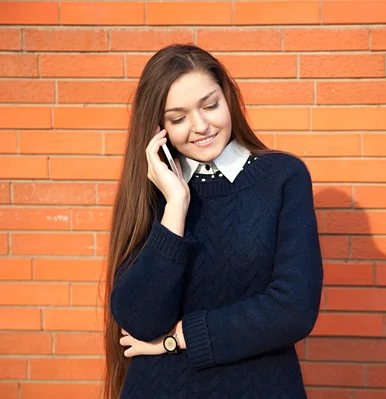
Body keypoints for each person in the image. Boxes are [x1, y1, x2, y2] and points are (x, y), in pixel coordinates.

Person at [102, 44, 323, 399]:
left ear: (228, 98)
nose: (201, 126)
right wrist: (176, 205)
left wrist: (178, 339)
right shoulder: (154, 189)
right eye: (179, 118)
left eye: (211, 105)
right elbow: (140, 321)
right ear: (158, 128)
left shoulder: (283, 177)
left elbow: (294, 308)